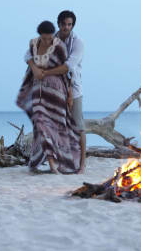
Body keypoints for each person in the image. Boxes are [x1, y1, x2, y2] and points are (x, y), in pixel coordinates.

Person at [24, 10, 86, 173]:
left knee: (78, 126)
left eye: (70, 24)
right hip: (51, 89)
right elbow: (28, 55)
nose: (66, 27)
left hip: (73, 88)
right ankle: (50, 163)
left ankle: (82, 165)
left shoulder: (78, 42)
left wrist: (45, 72)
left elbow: (68, 67)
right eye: (64, 24)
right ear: (58, 24)